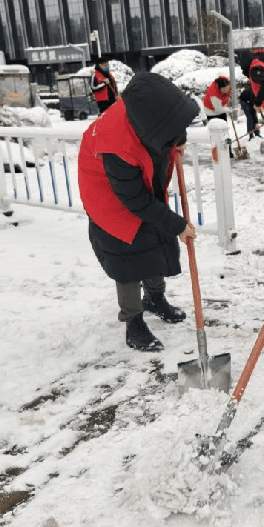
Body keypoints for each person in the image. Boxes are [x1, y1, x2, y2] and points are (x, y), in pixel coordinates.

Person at [77, 72, 199, 352]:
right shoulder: (115, 146)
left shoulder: (148, 106)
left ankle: (155, 299)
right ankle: (133, 320)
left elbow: (173, 117)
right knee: (128, 257)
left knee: (154, 240)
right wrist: (177, 225)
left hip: (133, 180)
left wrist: (177, 139)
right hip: (107, 197)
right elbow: (136, 200)